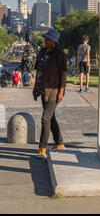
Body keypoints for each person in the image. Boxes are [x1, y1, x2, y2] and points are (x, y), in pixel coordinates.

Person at [33, 28, 67, 158]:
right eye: (45, 38)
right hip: (43, 89)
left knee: (45, 118)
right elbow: (39, 71)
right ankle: (59, 142)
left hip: (54, 90)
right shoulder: (42, 52)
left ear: (54, 41)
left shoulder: (60, 54)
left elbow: (63, 74)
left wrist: (61, 91)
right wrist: (35, 88)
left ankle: (42, 147)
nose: (45, 40)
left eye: (48, 39)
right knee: (51, 117)